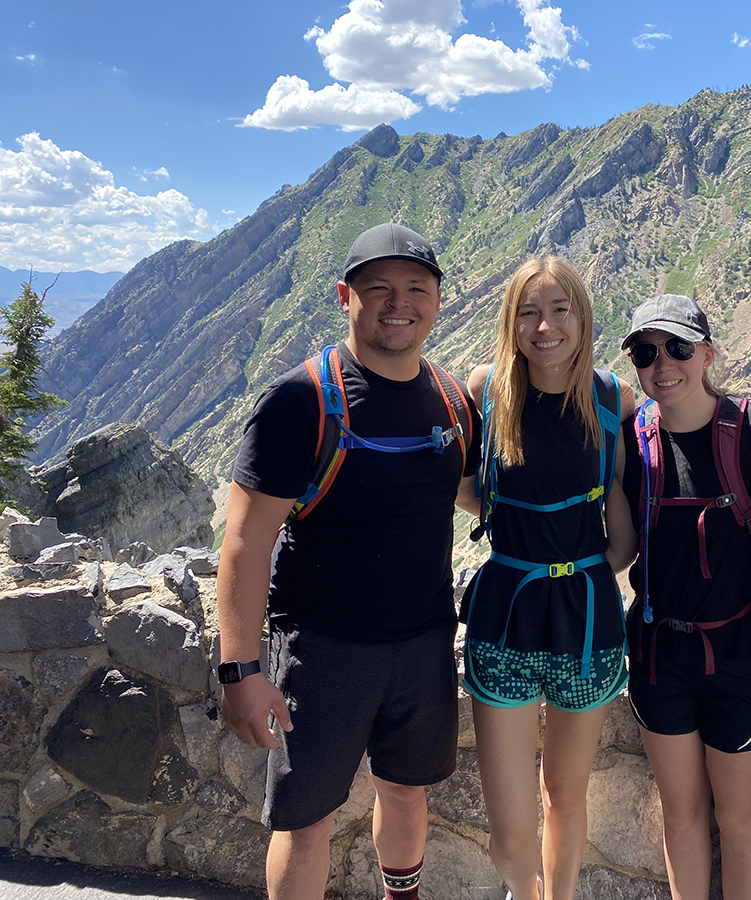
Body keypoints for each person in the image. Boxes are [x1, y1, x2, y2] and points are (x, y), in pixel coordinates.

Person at [216, 222, 481, 900]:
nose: (400, 303)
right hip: (323, 649)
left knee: (407, 793)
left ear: (439, 300)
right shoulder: (300, 401)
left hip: (423, 643)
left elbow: (469, 494)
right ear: (345, 296)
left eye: (417, 288)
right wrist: (241, 670)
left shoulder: (454, 402)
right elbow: (247, 541)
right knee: (306, 823)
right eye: (379, 288)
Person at [461, 256, 635, 900]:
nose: (545, 326)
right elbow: (464, 483)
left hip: (586, 619)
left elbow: (621, 524)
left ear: (581, 315)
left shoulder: (612, 397)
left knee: (565, 796)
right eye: (529, 312)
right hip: (506, 611)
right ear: (511, 323)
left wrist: (575, 566)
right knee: (510, 831)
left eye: (559, 308)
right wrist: (523, 534)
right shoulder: (487, 391)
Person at [617, 294, 751, 900]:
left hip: (741, 655)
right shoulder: (632, 443)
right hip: (660, 658)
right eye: (646, 352)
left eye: (679, 348)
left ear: (708, 353)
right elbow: (623, 549)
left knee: (737, 817)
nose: (664, 364)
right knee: (680, 813)